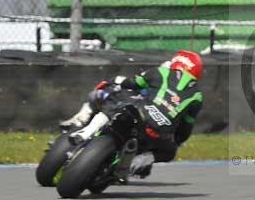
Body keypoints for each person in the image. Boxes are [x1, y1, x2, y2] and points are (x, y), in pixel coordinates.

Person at [63, 50, 204, 179]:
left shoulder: (160, 72)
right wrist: (175, 141)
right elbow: (186, 129)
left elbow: (132, 83)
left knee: (115, 100)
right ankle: (140, 161)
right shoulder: (197, 96)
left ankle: (86, 132)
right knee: (170, 151)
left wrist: (112, 81)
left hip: (139, 113)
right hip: (158, 132)